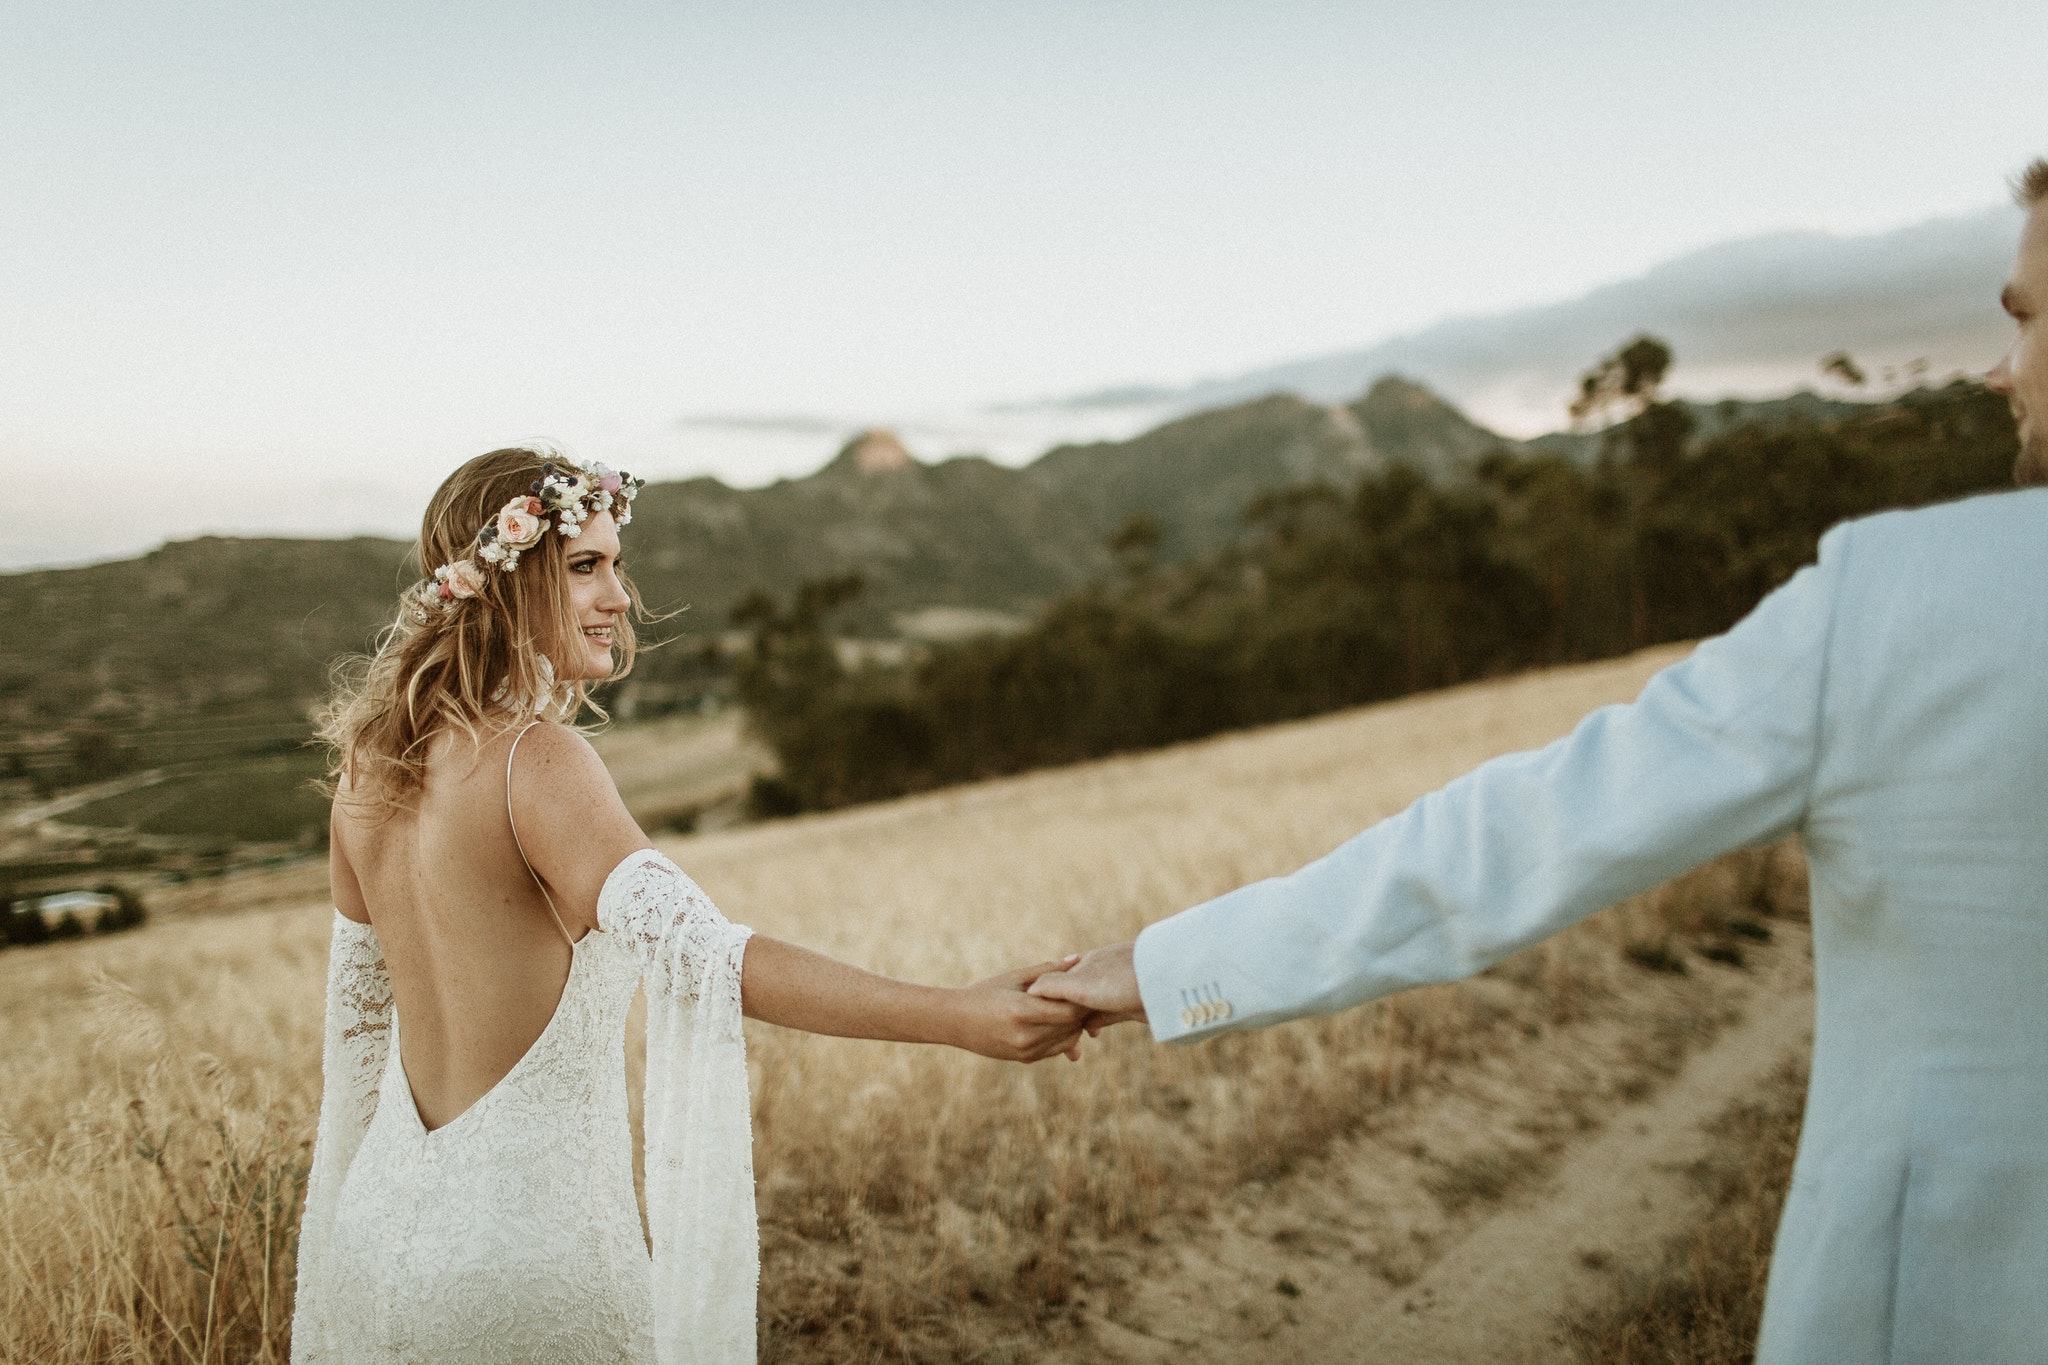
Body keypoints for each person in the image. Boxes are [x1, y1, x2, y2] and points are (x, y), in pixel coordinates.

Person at [1031, 157, 2048, 1363]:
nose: (1998, 366)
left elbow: (1520, 841)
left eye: (2025, 318)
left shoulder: (1903, 601)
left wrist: (1157, 967)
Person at [291, 448, 1088, 1364]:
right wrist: (958, 1015)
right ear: (503, 583)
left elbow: (352, 1047)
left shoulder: (365, 774)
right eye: (585, 566)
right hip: (526, 1269)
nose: (618, 596)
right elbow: (708, 957)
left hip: (376, 1231)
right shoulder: (537, 762)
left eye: (614, 564)